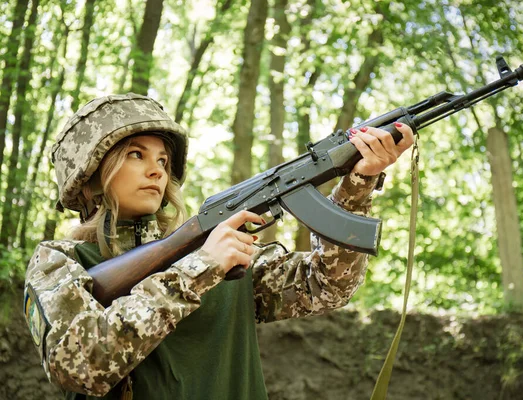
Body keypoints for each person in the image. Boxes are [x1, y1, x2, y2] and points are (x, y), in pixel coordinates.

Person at [23, 93, 414, 399]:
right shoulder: (60, 262)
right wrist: (199, 268)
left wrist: (357, 186)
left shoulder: (221, 250)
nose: (157, 169)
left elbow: (327, 286)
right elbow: (78, 367)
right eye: (135, 155)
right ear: (89, 178)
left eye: (163, 158)